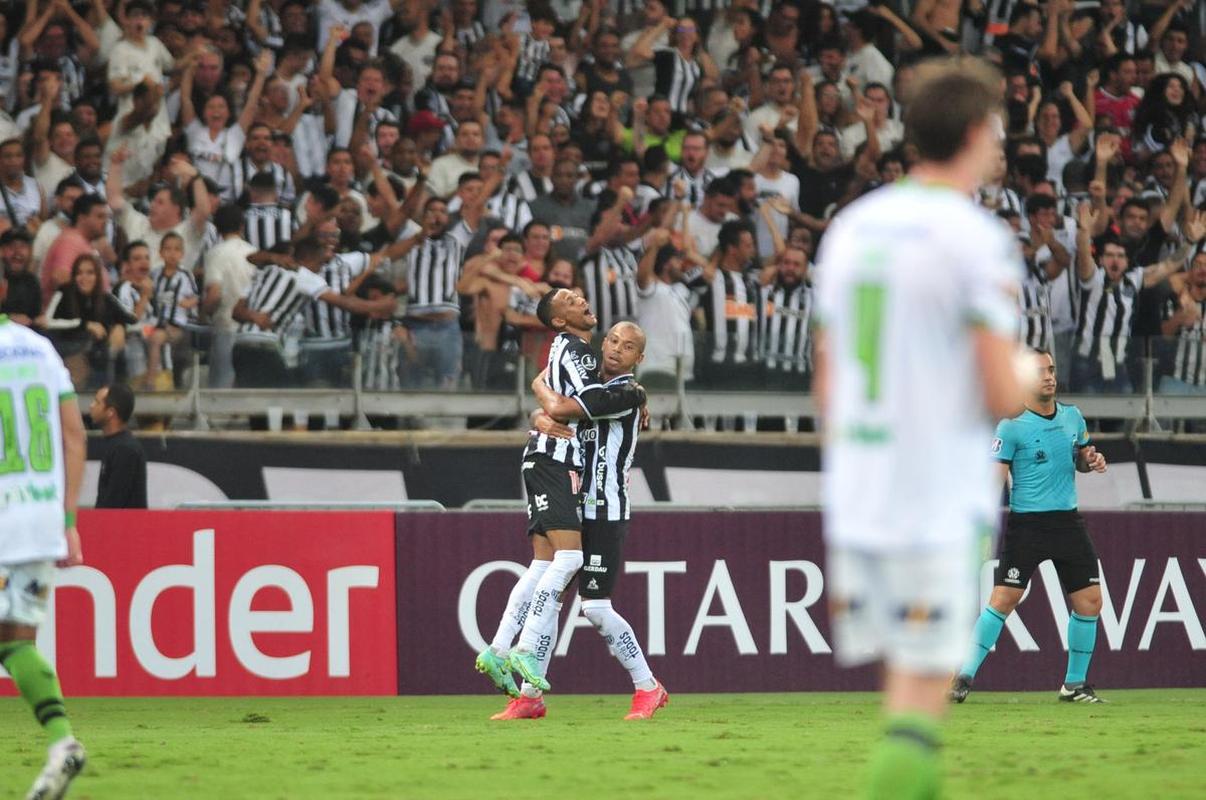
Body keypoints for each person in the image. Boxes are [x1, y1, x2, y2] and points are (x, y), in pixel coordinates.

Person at [812, 60, 1031, 799]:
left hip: (862, 488)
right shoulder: (974, 238)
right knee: (914, 714)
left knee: (902, 694)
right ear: (975, 133)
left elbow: (826, 379)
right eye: (998, 129)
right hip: (935, 490)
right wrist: (1030, 373)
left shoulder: (851, 228)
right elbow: (1002, 391)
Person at [474, 288, 646, 703]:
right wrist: (543, 403)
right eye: (569, 300)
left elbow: (568, 403)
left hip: (579, 486)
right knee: (569, 563)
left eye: (628, 346)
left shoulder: (624, 389)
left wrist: (541, 395)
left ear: (637, 358)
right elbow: (571, 407)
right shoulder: (581, 354)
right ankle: (524, 650)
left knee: (545, 568)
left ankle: (501, 653)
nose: (582, 299)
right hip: (556, 464)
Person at [950, 349, 1109, 705]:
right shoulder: (1011, 425)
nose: (1049, 376)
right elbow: (994, 481)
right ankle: (963, 675)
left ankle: (1074, 685)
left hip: (1068, 522)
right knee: (1005, 597)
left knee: (1090, 602)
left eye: (1051, 369)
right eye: (1040, 371)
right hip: (1028, 525)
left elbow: (1081, 457)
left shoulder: (1073, 417)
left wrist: (1091, 460)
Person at [0, 310, 88, 798]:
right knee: (14, 643)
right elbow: (74, 436)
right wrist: (68, 519)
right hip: (37, 520)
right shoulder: (40, 349)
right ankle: (62, 743)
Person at [89, 383, 147, 509]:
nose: (91, 406)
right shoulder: (116, 445)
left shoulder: (125, 450)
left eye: (97, 402)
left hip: (124, 527)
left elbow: (114, 503)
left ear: (110, 412)